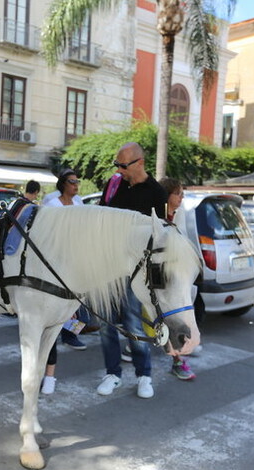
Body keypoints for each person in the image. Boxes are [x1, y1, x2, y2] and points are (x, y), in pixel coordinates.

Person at [96, 142, 168, 399]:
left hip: (134, 269)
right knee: (106, 323)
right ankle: (112, 373)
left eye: (122, 165)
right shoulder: (115, 184)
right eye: (117, 165)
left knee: (133, 324)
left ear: (139, 163)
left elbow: (158, 235)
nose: (119, 170)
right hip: (109, 265)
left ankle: (144, 376)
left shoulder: (157, 193)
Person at [40, 169, 89, 395]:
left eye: (77, 181)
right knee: (47, 327)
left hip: (76, 266)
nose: (76, 185)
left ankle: (51, 373)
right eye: (72, 182)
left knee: (66, 317)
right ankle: (44, 373)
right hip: (53, 267)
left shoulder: (79, 204)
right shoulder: (52, 206)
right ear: (63, 184)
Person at [157, 177, 195, 380]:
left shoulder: (180, 216)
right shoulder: (155, 215)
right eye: (178, 193)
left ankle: (178, 358)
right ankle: (177, 360)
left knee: (176, 320)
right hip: (157, 279)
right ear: (167, 195)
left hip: (176, 278)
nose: (181, 198)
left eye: (183, 194)